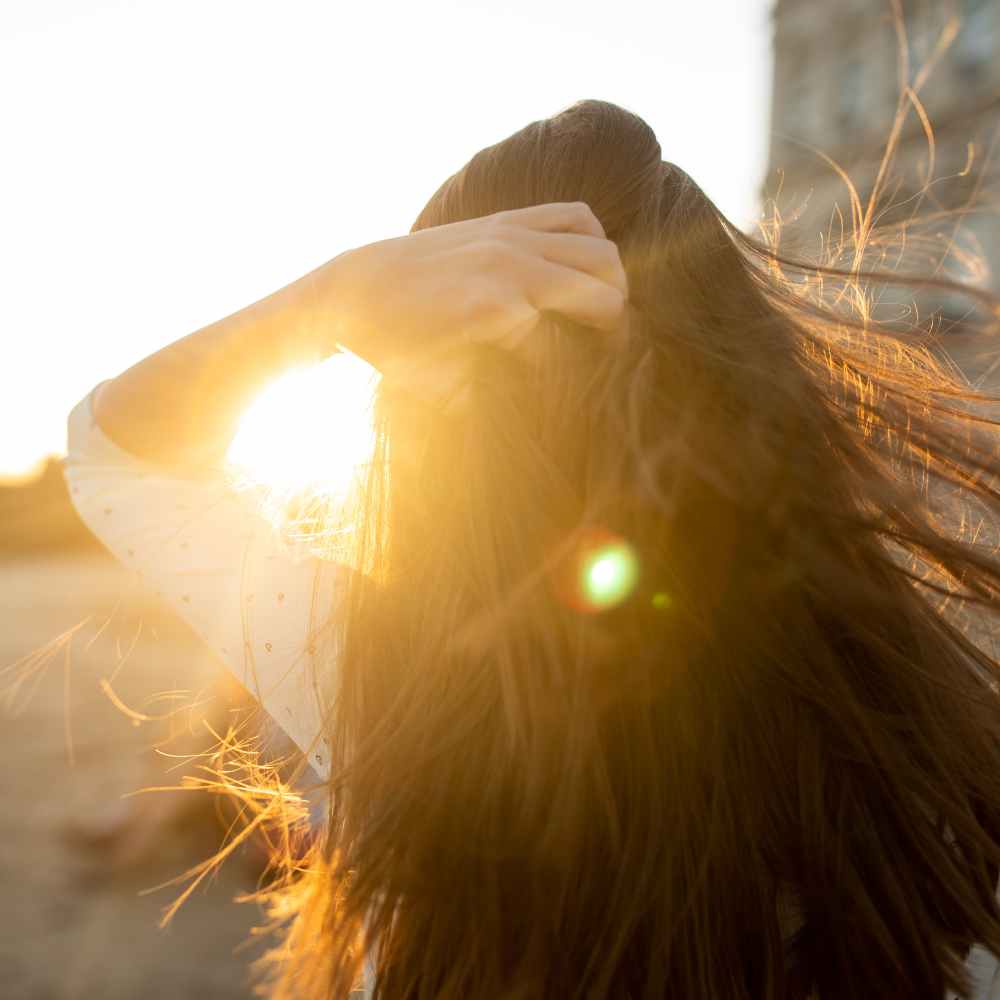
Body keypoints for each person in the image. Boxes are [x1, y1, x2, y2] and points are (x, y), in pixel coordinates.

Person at [65, 100, 1000, 999]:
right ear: (736, 352)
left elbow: (118, 461)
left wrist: (335, 296)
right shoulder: (901, 689)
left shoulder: (387, 672)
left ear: (429, 411)